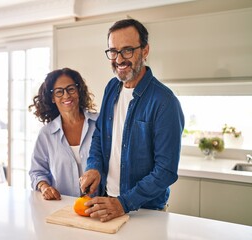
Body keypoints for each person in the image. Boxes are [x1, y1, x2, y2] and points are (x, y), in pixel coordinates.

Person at [79, 18, 185, 222]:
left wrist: (123, 203)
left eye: (127, 50)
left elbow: (166, 171)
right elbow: (100, 136)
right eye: (113, 51)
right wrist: (94, 168)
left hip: (145, 213)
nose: (119, 59)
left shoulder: (165, 102)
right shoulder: (112, 87)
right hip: (107, 203)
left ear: (145, 51)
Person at [29, 67, 98, 200]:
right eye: (59, 92)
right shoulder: (46, 134)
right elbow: (36, 171)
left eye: (70, 89)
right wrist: (44, 187)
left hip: (100, 206)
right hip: (60, 206)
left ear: (78, 91)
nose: (66, 95)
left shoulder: (100, 124)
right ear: (53, 98)